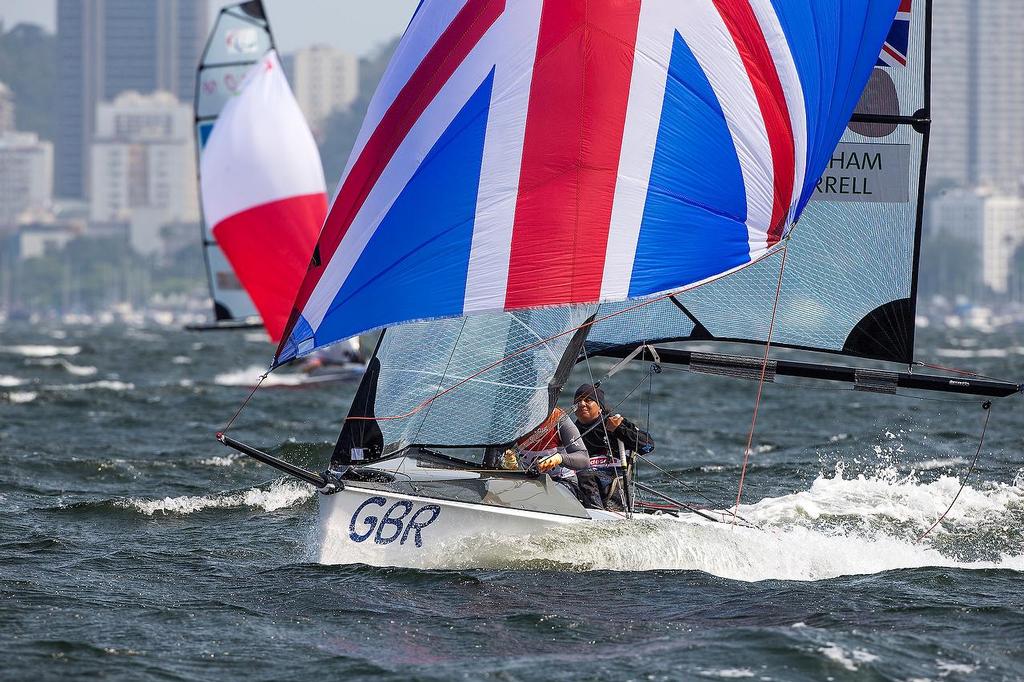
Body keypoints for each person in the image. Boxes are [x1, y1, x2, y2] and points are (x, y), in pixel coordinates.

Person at [572, 383, 654, 511]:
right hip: (581, 478)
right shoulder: (570, 430)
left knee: (585, 476)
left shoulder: (614, 422)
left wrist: (619, 429)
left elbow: (647, 446)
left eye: (588, 400)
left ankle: (597, 514)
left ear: (600, 406)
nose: (582, 404)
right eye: (578, 401)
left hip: (612, 479)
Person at [514, 407, 590, 500]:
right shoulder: (512, 418)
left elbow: (584, 459)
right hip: (527, 480)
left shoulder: (558, 418)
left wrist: (559, 458)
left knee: (542, 498)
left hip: (562, 481)